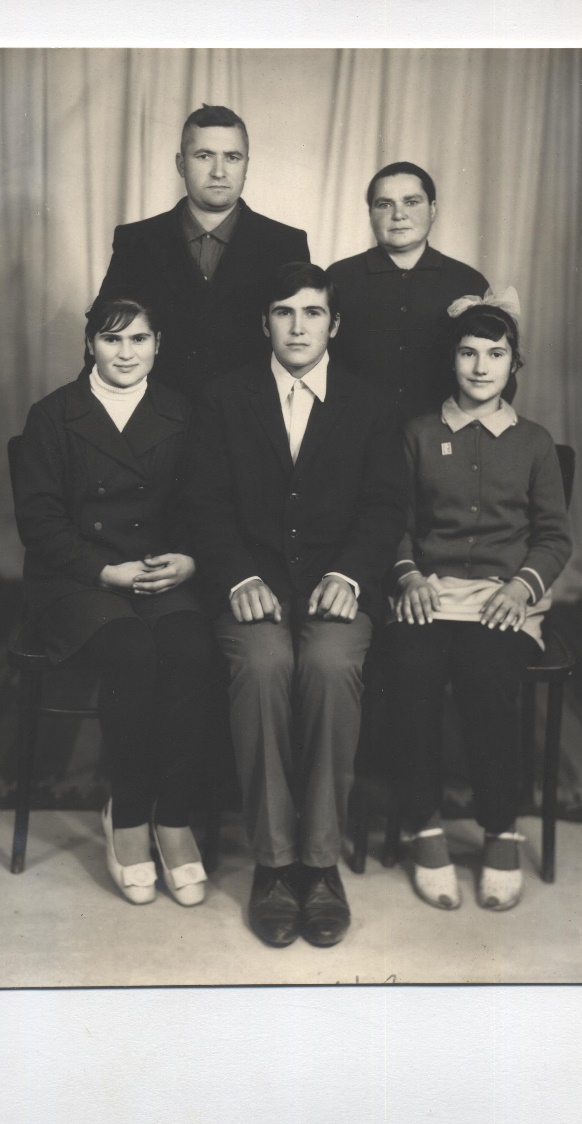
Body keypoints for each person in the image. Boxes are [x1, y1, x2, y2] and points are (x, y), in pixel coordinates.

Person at [186, 262, 407, 948]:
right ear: (265, 323)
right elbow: (204, 504)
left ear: (334, 324)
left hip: (335, 583)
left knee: (331, 666)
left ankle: (320, 864)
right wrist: (236, 577)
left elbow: (385, 506)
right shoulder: (224, 398)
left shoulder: (370, 403)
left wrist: (351, 573)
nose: (298, 326)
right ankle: (275, 864)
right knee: (262, 667)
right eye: (284, 312)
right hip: (250, 584)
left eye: (313, 313)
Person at [13, 295, 213, 908]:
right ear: (90, 345)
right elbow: (40, 524)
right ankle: (126, 816)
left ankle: (172, 818)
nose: (126, 353)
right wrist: (105, 571)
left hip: (155, 572)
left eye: (139, 339)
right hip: (76, 577)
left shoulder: (180, 412)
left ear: (158, 345)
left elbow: (203, 506)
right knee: (130, 650)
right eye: (112, 339)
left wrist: (189, 559)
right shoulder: (53, 415)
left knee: (191, 650)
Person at [386, 290, 571, 911]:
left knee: (486, 676)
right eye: (468, 353)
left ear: (515, 363)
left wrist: (521, 587)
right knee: (411, 671)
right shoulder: (417, 434)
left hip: (503, 598)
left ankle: (500, 827)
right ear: (452, 360)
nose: (481, 366)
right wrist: (409, 577)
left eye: (495, 354)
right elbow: (395, 524)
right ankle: (425, 826)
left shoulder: (535, 442)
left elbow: (554, 537)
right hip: (429, 593)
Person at [97, 104, 310, 398]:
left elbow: (302, 346)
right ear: (181, 164)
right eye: (204, 156)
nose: (219, 171)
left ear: (246, 165)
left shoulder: (286, 243)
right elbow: (104, 331)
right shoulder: (136, 240)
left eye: (232, 157)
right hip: (155, 413)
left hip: (251, 413)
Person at [327, 161, 490, 421]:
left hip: (445, 433)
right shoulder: (339, 277)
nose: (398, 215)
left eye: (411, 202)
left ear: (433, 209)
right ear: (370, 213)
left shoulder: (468, 281)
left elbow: (495, 371)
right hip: (355, 431)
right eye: (384, 204)